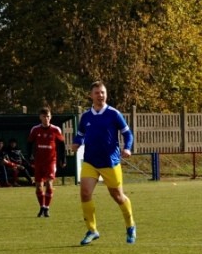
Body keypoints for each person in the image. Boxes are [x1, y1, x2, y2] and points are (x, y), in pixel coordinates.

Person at [72, 81, 136, 245]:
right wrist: (76, 142)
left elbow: (128, 134)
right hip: (90, 162)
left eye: (102, 92)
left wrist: (127, 148)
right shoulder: (86, 116)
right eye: (97, 93)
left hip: (110, 162)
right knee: (85, 193)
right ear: (91, 95)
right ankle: (92, 230)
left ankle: (130, 226)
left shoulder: (114, 114)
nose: (100, 95)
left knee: (118, 196)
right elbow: (80, 134)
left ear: (105, 94)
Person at [29, 106, 66, 217]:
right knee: (38, 186)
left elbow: (62, 145)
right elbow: (29, 143)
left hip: (51, 161)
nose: (46, 119)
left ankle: (47, 208)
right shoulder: (35, 129)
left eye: (48, 116)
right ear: (40, 117)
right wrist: (30, 156)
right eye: (44, 116)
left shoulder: (56, 130)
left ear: (51, 117)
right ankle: (42, 207)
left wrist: (62, 159)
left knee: (49, 184)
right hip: (39, 161)